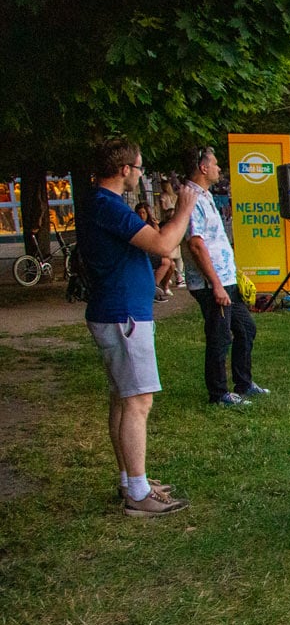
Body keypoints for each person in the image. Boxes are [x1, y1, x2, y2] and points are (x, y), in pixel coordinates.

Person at [79, 138, 199, 516]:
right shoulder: (107, 206)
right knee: (138, 401)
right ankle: (138, 493)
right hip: (123, 315)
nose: (142, 173)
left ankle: (131, 480)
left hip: (117, 311)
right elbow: (164, 244)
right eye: (139, 167)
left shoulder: (101, 205)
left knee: (123, 398)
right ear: (124, 170)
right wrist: (184, 209)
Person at [179, 146, 266, 407]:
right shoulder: (191, 199)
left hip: (227, 280)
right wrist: (216, 284)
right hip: (212, 284)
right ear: (203, 168)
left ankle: (244, 383)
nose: (219, 169)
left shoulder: (205, 196)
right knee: (220, 335)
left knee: (246, 328)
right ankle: (219, 394)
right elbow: (196, 244)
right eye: (215, 164)